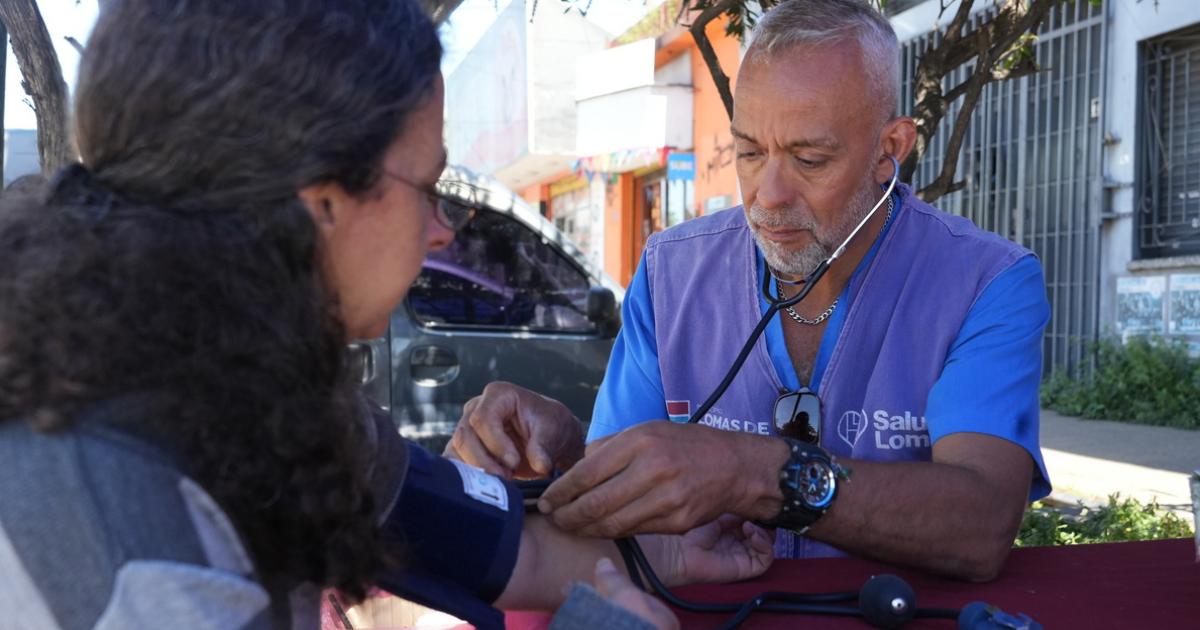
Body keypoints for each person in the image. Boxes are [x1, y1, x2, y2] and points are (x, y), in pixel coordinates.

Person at [0, 1, 774, 629]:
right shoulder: (116, 521)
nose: (444, 230)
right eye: (429, 188)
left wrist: (662, 555)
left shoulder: (254, 384)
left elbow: (493, 548)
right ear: (321, 200)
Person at [446, 0, 1051, 583]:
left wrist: (751, 472)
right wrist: (564, 452)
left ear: (889, 150)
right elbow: (624, 496)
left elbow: (981, 525)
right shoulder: (670, 272)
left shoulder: (987, 282)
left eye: (810, 159)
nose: (769, 194)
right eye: (749, 152)